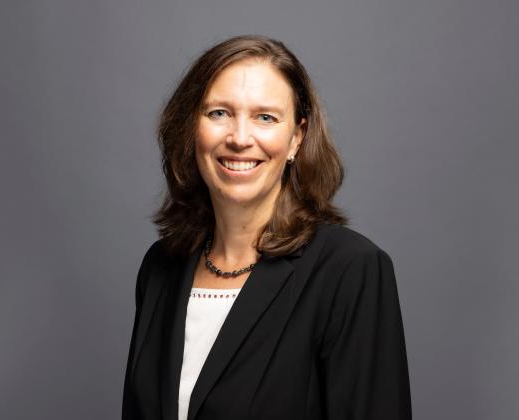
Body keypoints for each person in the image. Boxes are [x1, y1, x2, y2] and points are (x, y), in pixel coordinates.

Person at [122, 35, 412, 420]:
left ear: (296, 138)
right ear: (191, 127)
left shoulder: (350, 270)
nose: (240, 138)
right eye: (219, 113)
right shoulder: (162, 266)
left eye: (265, 117)